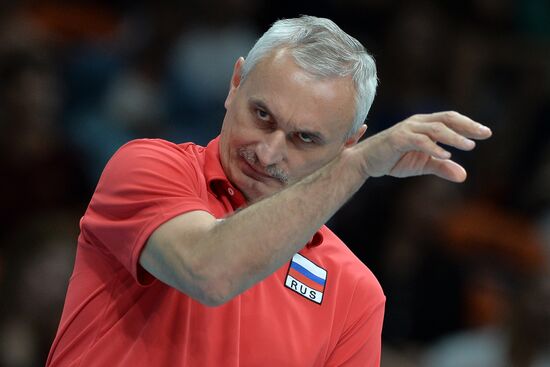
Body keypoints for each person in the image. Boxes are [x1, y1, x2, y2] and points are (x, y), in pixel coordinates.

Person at [46, 15, 492, 366]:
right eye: (262, 115)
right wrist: (355, 169)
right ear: (234, 84)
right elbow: (209, 270)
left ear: (348, 142)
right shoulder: (147, 166)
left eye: (304, 138)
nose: (268, 151)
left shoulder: (355, 293)